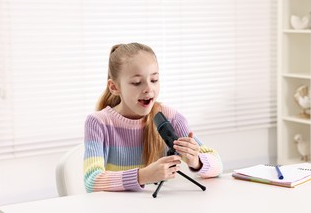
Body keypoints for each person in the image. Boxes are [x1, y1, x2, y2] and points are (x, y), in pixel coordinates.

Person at [83, 42, 223, 193]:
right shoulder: (98, 123)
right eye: (137, 82)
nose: (148, 88)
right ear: (114, 87)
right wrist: (143, 176)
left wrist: (196, 161)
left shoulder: (170, 117)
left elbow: (217, 165)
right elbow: (92, 181)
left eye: (154, 80)